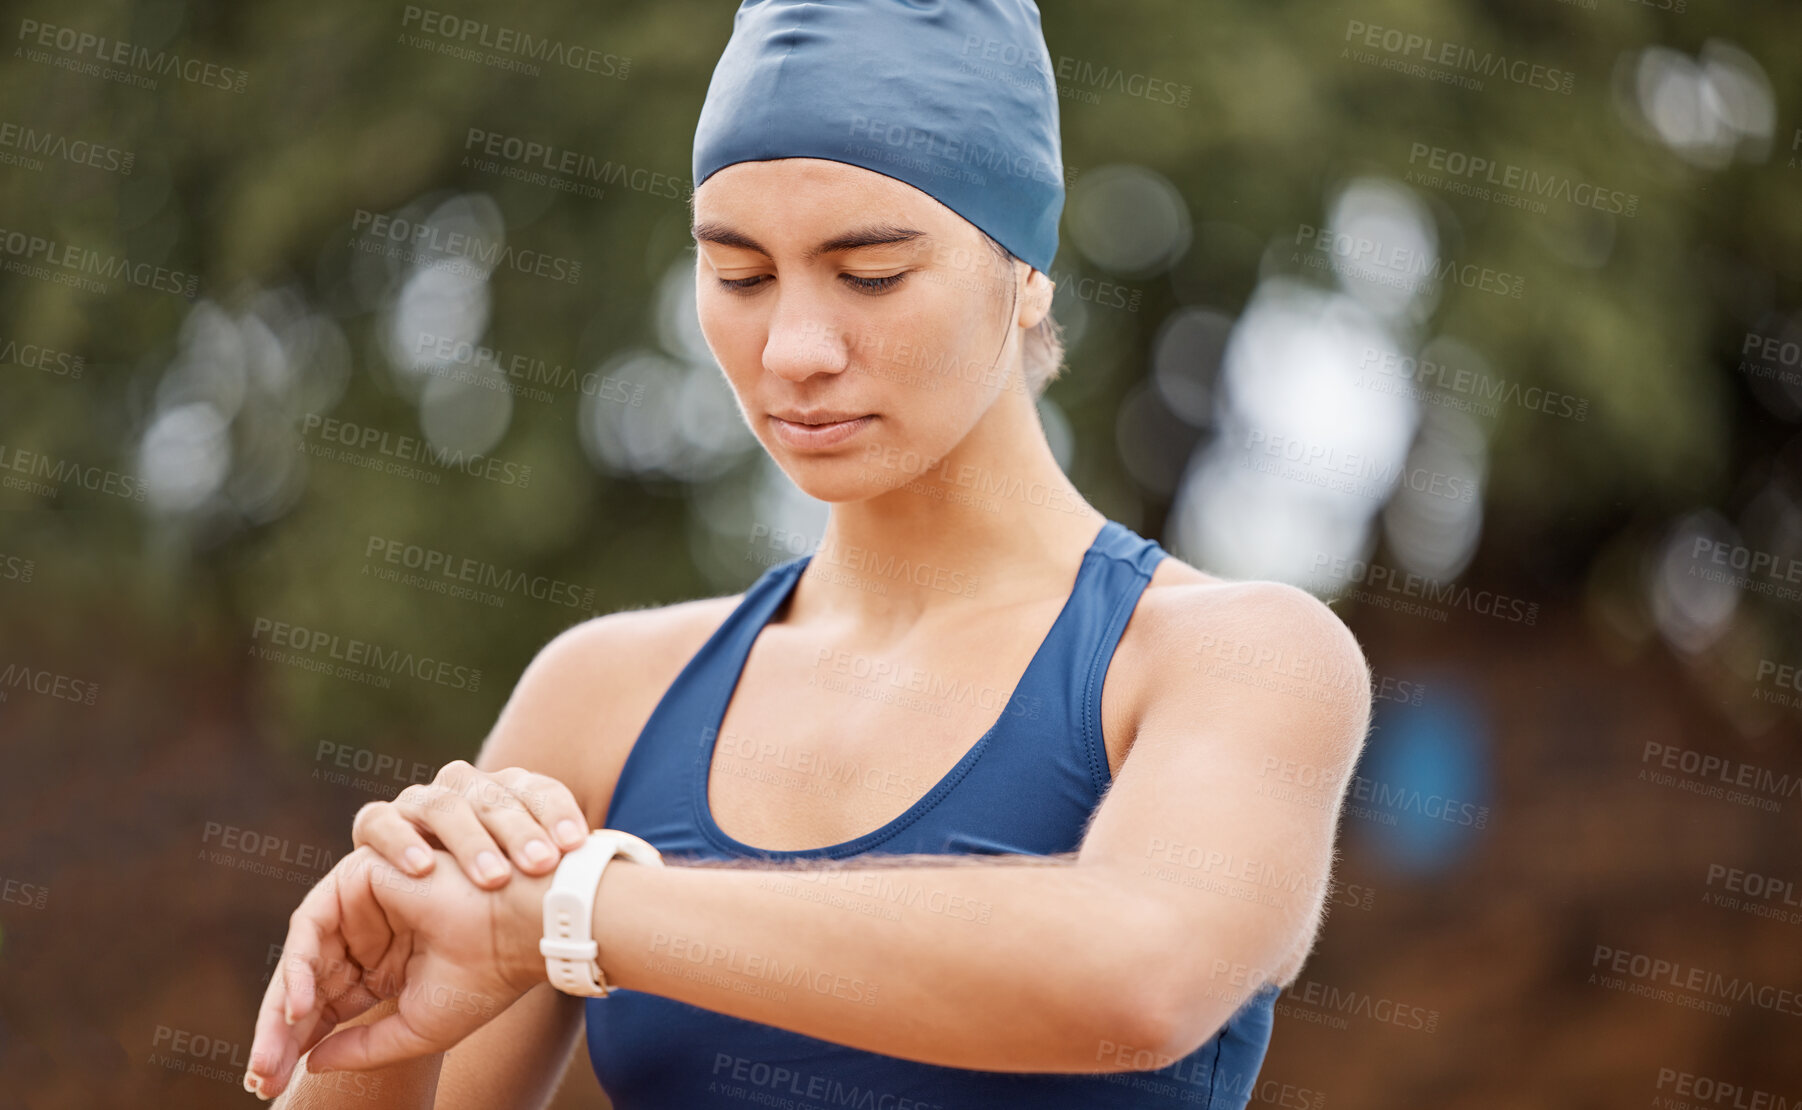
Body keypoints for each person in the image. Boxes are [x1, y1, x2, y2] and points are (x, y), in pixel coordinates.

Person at [246, 1, 1372, 1106]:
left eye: (870, 274)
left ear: (1026, 270)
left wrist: (577, 906)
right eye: (738, 275)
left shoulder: (1236, 661)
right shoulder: (604, 697)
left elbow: (1138, 976)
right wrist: (387, 1001)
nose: (791, 350)